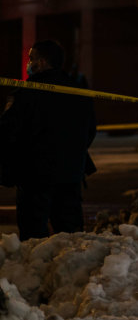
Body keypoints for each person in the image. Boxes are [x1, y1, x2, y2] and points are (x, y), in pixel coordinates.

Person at [0, 40, 97, 240]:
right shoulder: (79, 92)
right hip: (70, 175)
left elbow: (7, 132)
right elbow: (90, 131)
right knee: (70, 236)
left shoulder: (26, 93)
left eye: (31, 59)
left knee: (34, 236)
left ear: (42, 62)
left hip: (34, 177)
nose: (29, 63)